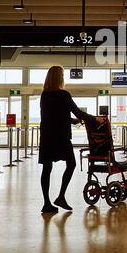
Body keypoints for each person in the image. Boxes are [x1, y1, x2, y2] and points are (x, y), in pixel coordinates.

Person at [37, 65, 91, 214]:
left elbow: (52, 117)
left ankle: (47, 203)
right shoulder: (64, 95)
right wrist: (94, 119)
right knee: (71, 164)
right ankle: (60, 196)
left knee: (46, 168)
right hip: (61, 137)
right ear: (59, 78)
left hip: (47, 137)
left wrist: (72, 121)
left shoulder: (44, 95)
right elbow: (78, 112)